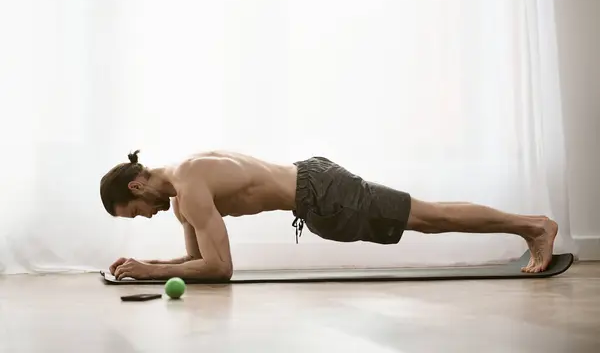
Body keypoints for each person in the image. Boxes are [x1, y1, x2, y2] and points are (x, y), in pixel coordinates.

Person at [100, 150, 558, 280]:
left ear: (136, 185)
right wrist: (149, 267)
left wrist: (150, 272)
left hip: (320, 190)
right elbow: (198, 262)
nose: (144, 217)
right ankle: (529, 226)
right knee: (424, 217)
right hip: (314, 192)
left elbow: (220, 269)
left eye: (134, 212)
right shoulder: (182, 198)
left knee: (428, 217)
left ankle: (533, 226)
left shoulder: (190, 184)